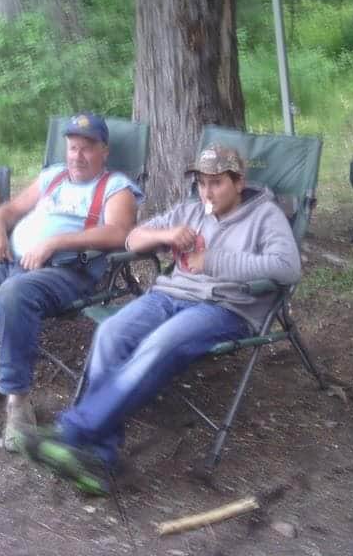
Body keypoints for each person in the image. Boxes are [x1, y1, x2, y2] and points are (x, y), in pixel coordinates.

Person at [21, 144, 301, 495]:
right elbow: (133, 238)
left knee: (159, 344)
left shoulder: (264, 215)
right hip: (168, 297)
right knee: (111, 332)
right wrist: (164, 235)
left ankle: (74, 431)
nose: (207, 192)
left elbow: (287, 268)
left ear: (239, 182)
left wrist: (213, 261)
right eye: (202, 183)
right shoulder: (190, 210)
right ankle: (100, 455)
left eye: (217, 183)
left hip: (224, 307)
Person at [0, 113, 143, 450]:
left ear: (104, 151)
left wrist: (55, 242)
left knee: (13, 293)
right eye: (73, 147)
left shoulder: (115, 187)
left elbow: (119, 233)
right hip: (12, 263)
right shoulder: (53, 176)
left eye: (87, 148)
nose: (77, 155)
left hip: (65, 273)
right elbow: (9, 209)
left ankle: (18, 401)